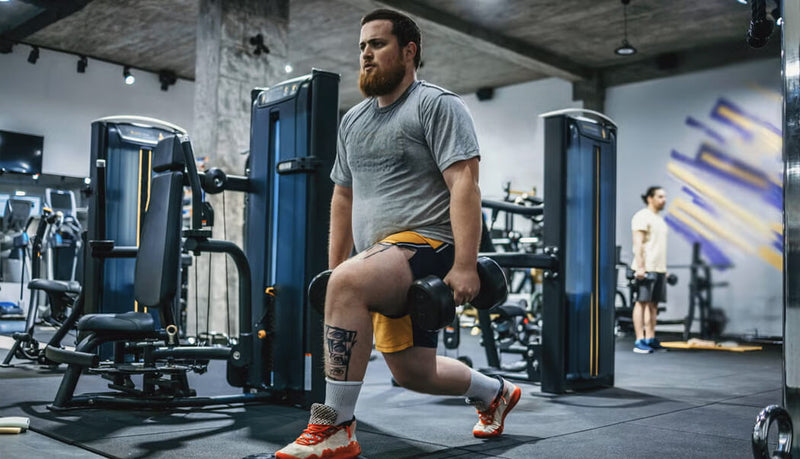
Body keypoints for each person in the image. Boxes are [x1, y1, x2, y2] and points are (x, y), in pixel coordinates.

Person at [274, 9, 520, 459]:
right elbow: (342, 199)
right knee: (413, 373)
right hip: (380, 256)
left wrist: (466, 264)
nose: (366, 54)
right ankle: (496, 392)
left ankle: (335, 427)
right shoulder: (354, 122)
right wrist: (336, 270)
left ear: (409, 51)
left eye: (378, 44)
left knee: (350, 285)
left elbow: (464, 184)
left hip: (428, 243)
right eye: (362, 46)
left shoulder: (436, 105)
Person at [630, 186, 668, 354]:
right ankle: (639, 340)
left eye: (664, 196)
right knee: (642, 303)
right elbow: (638, 244)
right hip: (645, 268)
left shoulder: (659, 219)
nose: (664, 199)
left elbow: (658, 247)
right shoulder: (641, 217)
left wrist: (663, 270)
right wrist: (640, 267)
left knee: (653, 305)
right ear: (649, 198)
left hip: (658, 268)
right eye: (660, 196)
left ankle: (650, 338)